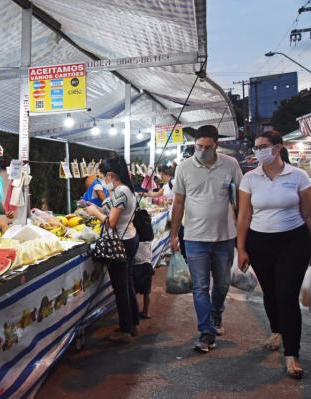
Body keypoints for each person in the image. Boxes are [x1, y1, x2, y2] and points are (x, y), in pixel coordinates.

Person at [236, 130, 311, 379]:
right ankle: (277, 330)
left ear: (277, 148)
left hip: (294, 241)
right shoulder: (249, 178)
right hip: (260, 243)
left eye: (263, 146)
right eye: (256, 147)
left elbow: (308, 214)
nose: (258, 151)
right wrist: (242, 248)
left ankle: (292, 354)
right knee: (270, 292)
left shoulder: (298, 176)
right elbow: (244, 216)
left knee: (287, 295)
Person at [170, 125, 243, 353]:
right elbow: (178, 203)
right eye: (198, 146)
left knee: (221, 284)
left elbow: (242, 198)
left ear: (216, 145)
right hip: (194, 238)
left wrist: (243, 235)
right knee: (200, 287)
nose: (201, 151)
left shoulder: (230, 165)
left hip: (225, 237)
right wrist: (173, 235)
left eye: (207, 147)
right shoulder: (183, 168)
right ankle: (206, 332)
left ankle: (216, 314)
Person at [85, 155, 140, 343]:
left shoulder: (122, 191)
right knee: (127, 282)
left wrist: (95, 213)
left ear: (110, 175)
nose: (102, 181)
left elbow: (112, 223)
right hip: (130, 238)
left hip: (120, 242)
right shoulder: (126, 189)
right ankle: (132, 323)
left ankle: (125, 331)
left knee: (120, 287)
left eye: (102, 177)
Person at [132, 240, 153, 319]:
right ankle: (146, 312)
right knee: (146, 292)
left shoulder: (136, 241)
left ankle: (134, 312)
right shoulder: (149, 240)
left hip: (137, 268)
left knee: (133, 292)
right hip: (147, 266)